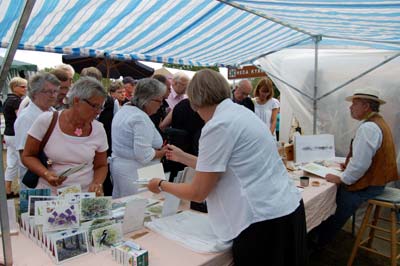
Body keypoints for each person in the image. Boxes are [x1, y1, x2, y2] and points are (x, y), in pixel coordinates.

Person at [148, 69, 307, 266]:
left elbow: (198, 192)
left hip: (263, 222)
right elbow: (223, 167)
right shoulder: (240, 114)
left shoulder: (217, 125)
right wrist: (183, 157)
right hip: (285, 209)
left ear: (195, 101)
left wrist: (161, 184)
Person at [317, 87, 398, 245]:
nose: (350, 107)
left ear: (366, 106)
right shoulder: (378, 122)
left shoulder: (368, 127)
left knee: (332, 201)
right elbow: (364, 159)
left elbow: (360, 165)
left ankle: (319, 242)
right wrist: (348, 165)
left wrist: (342, 179)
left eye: (355, 104)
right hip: (377, 182)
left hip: (370, 186)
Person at [21, 77, 108, 195]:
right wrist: (46, 173)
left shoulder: (98, 129)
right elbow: (28, 156)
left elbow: (101, 165)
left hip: (84, 195)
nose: (98, 112)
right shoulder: (47, 120)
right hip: (51, 196)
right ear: (77, 101)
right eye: (94, 106)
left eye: (101, 107)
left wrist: (97, 183)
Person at [111, 78, 167, 198]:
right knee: (141, 211)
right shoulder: (140, 118)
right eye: (159, 101)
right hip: (138, 175)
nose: (160, 105)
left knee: (124, 208)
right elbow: (143, 155)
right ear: (148, 100)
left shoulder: (125, 109)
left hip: (123, 171)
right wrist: (162, 152)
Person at [15, 72, 60, 184]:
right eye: (48, 91)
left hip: (51, 175)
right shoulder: (26, 118)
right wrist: (44, 172)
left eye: (55, 91)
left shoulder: (53, 112)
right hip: (36, 177)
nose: (53, 95)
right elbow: (24, 155)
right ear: (34, 93)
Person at [3, 77, 27, 198]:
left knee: (12, 162)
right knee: (22, 163)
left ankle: (7, 189)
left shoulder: (8, 99)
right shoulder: (16, 101)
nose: (25, 89)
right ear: (14, 87)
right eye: (22, 86)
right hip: (15, 135)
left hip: (8, 134)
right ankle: (22, 190)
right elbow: (20, 119)